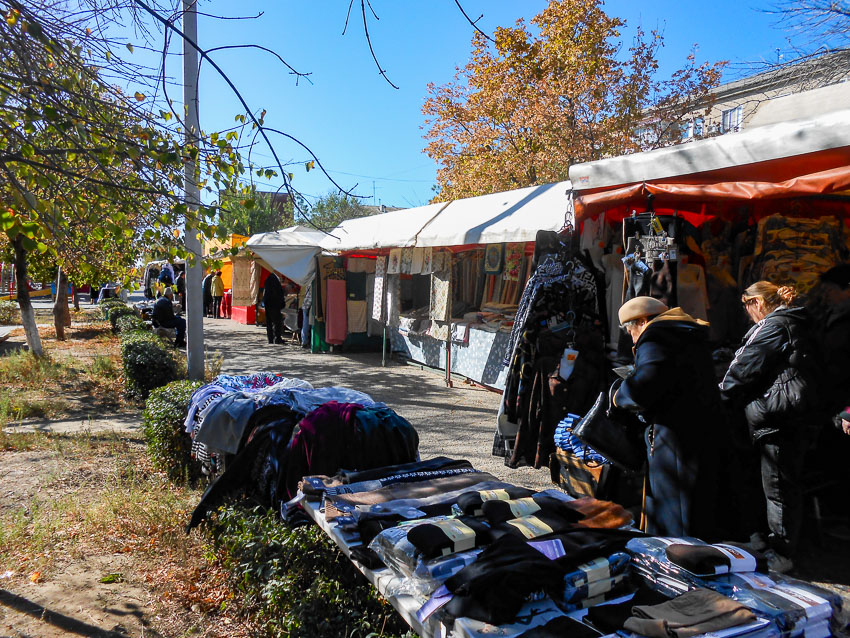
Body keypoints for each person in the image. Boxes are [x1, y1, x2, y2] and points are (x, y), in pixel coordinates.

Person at [719, 281, 817, 573]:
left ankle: (781, 553)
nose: (747, 314)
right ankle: (770, 544)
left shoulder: (774, 325)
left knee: (777, 487)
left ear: (757, 304)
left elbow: (745, 367)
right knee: (780, 483)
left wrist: (720, 394)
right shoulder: (796, 320)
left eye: (747, 307)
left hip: (777, 416)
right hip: (792, 412)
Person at [612, 296, 724, 541]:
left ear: (642, 321)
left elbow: (644, 388)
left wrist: (619, 396)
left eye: (631, 331)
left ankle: (677, 556)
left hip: (676, 436)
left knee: (676, 513)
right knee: (696, 508)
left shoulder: (657, 337)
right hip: (699, 431)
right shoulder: (686, 333)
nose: (633, 339)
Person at [262, 272, 285, 344]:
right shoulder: (273, 279)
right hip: (274, 304)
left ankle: (270, 339)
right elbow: (275, 293)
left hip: (269, 303)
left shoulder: (270, 278)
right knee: (276, 322)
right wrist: (280, 302)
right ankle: (277, 339)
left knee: (269, 322)